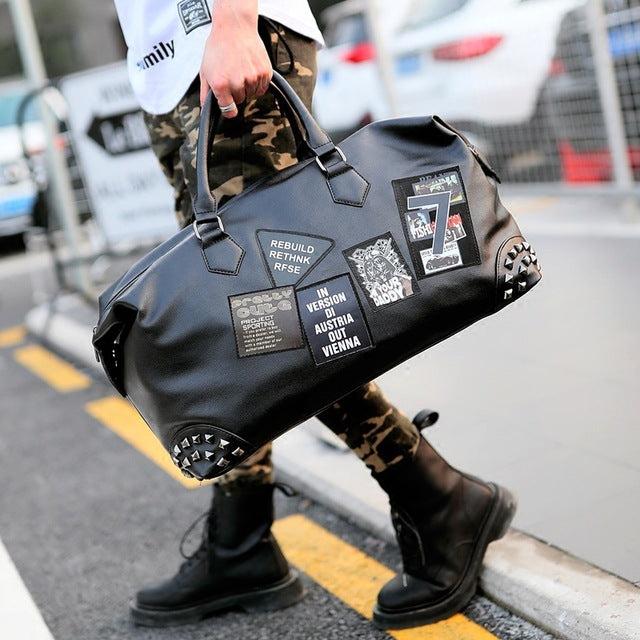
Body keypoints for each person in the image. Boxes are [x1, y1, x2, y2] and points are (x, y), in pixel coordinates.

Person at [112, 0, 517, 630]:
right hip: (169, 66)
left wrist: (235, 24)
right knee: (245, 322)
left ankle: (437, 496)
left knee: (279, 326)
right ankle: (243, 538)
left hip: (218, 37)